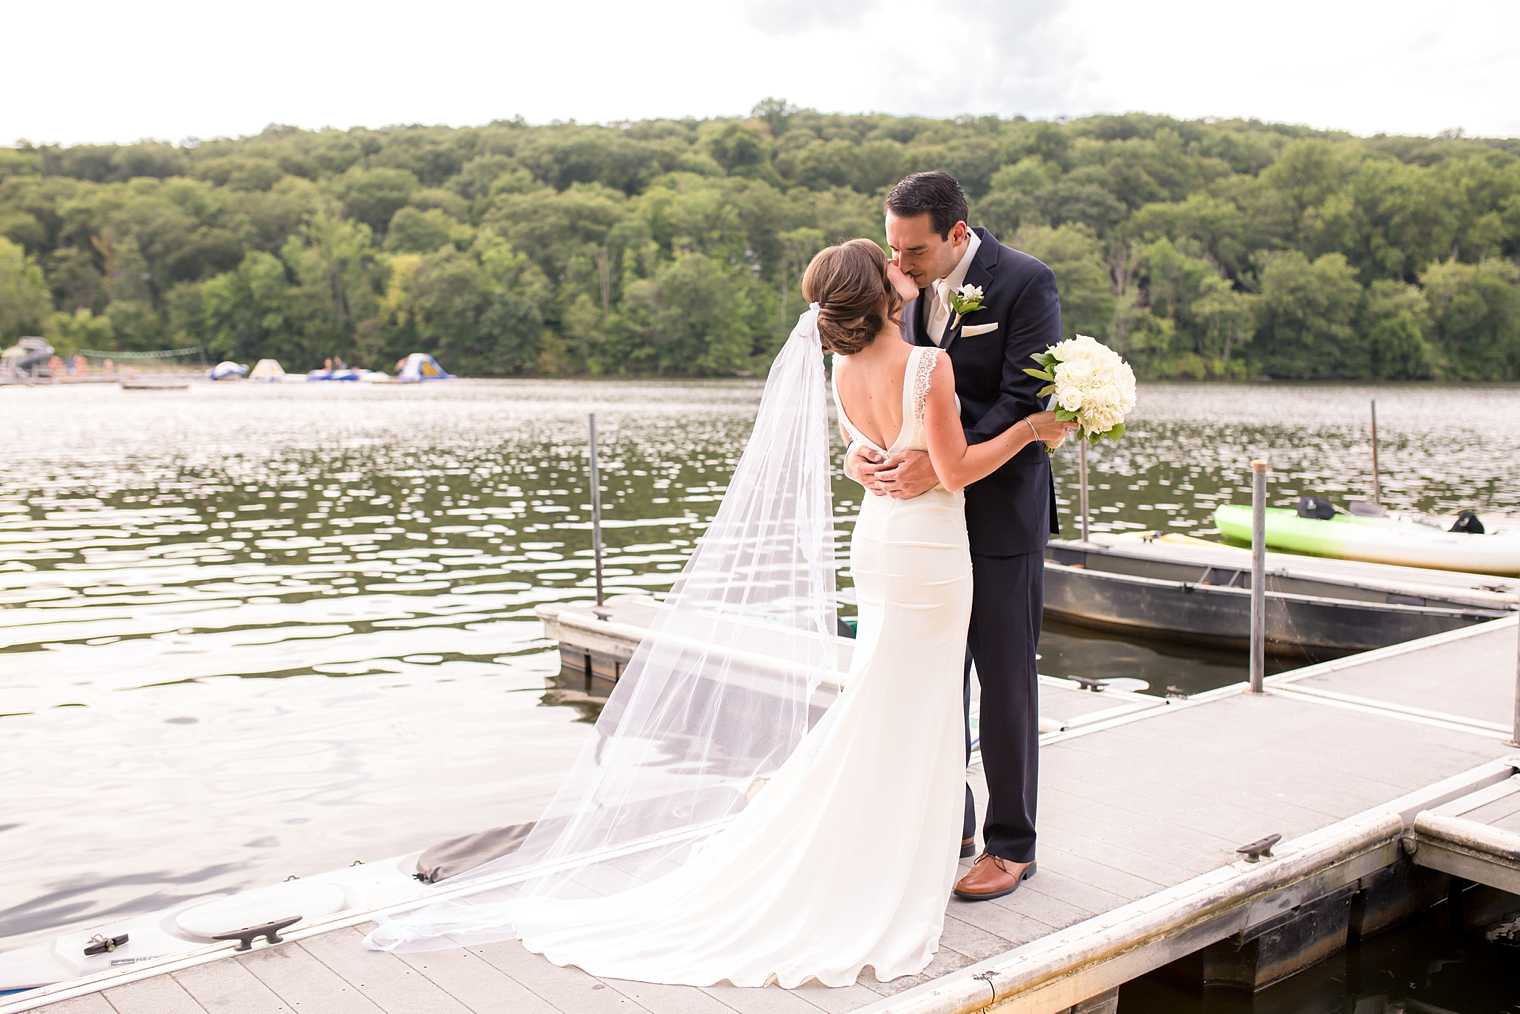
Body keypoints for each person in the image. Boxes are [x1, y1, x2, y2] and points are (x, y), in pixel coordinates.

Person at [362, 238, 1072, 987]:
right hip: (928, 552)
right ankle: (895, 847)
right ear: (885, 291)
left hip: (878, 543)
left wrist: (860, 461)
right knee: (915, 700)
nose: (905, 265)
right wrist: (1034, 430)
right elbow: (955, 469)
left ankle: (887, 839)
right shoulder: (929, 365)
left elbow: (860, 448)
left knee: (883, 695)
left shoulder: (839, 367)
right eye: (892, 260)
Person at [848, 170, 1064, 901]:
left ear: (957, 236)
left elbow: (1025, 398)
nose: (898, 264)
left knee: (1003, 681)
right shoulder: (898, 292)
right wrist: (868, 452)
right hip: (922, 526)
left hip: (999, 511)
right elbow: (885, 381)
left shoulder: (1026, 283)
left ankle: (1013, 845)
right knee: (933, 677)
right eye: (891, 247)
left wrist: (939, 465)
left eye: (912, 251)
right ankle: (954, 822)